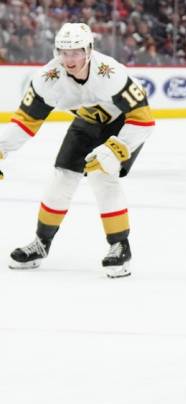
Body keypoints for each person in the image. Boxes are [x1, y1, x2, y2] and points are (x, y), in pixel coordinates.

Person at [0, 23, 154, 278]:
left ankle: (119, 245)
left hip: (125, 123)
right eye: (64, 52)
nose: (69, 59)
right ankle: (41, 243)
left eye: (76, 52)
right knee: (62, 176)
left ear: (89, 50)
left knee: (102, 174)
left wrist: (116, 148)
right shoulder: (47, 79)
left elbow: (143, 120)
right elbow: (25, 122)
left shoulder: (110, 73)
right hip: (89, 120)